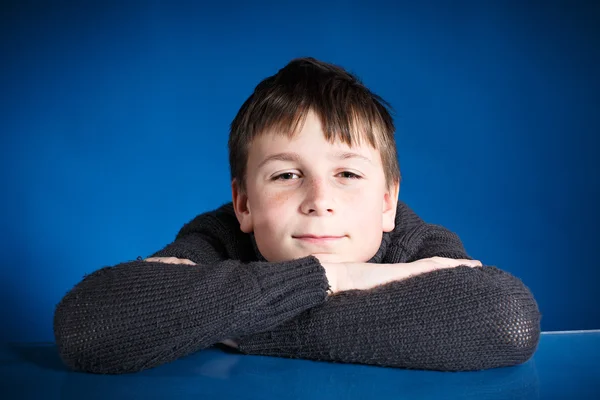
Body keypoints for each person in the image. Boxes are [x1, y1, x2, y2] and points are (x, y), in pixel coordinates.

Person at [53, 57, 541, 375]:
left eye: (348, 174)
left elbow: (507, 321)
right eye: (286, 175)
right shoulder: (218, 237)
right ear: (243, 203)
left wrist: (231, 324)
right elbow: (87, 326)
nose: (319, 200)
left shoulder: (417, 245)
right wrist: (337, 275)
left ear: (388, 202)